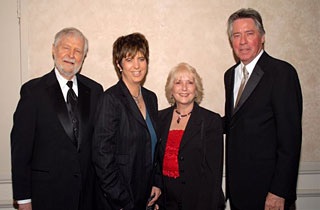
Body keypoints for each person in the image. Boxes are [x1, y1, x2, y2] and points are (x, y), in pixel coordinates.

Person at [11, 27, 103, 210]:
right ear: (53, 49)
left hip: (86, 198)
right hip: (46, 197)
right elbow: (20, 151)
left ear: (83, 57)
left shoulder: (95, 91)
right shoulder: (33, 92)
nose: (71, 55)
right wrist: (23, 200)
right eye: (66, 48)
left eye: (78, 51)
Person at [224, 8, 303, 210]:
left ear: (262, 37)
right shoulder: (230, 75)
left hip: (270, 193)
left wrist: (279, 191)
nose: (242, 41)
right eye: (236, 35)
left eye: (249, 34)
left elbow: (290, 139)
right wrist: (193, 115)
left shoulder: (282, 73)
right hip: (239, 191)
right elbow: (234, 122)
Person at [93, 32, 162, 210]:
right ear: (119, 64)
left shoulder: (151, 98)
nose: (137, 66)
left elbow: (154, 148)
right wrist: (122, 200)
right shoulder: (110, 99)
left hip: (146, 197)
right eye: (129, 59)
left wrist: (156, 183)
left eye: (141, 58)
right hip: (119, 201)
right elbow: (102, 157)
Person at [157, 63, 225, 210]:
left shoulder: (211, 121)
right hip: (165, 203)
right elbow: (155, 163)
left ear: (196, 89)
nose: (184, 88)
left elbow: (213, 174)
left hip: (199, 203)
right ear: (171, 88)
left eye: (190, 82)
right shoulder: (159, 118)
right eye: (178, 82)